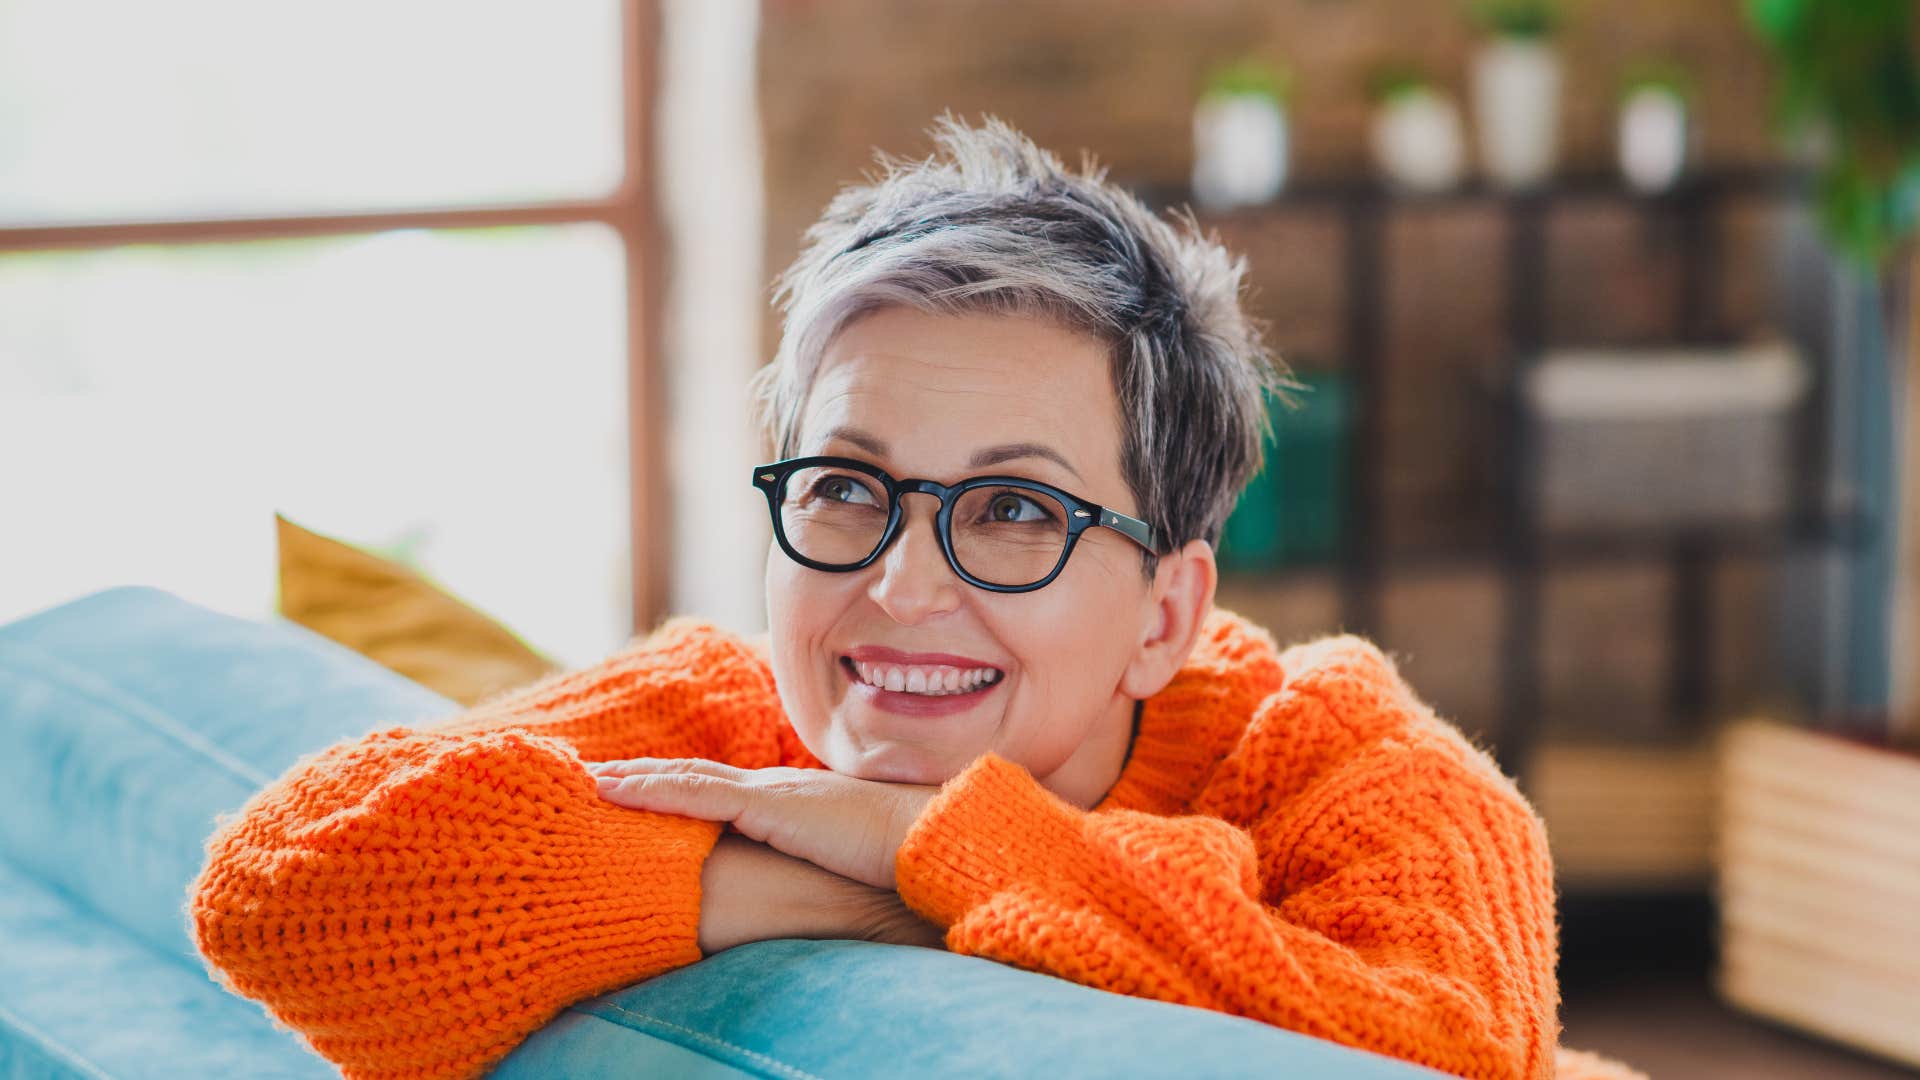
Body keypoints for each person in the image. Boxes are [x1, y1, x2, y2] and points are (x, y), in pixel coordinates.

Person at [189, 114, 1641, 1080]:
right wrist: (817, 893)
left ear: (1166, 613)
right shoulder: (730, 706)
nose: (898, 584)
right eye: (843, 485)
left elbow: (1450, 1050)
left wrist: (919, 845)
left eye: (1012, 510)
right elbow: (280, 892)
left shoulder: (1360, 774)